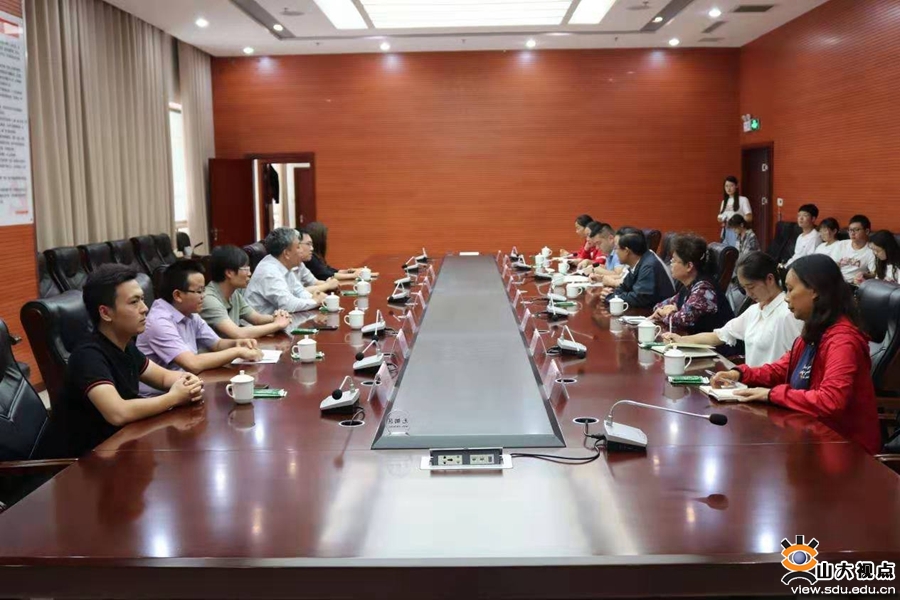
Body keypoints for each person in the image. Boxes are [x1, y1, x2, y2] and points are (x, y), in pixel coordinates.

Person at [711, 254, 880, 455]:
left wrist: (771, 395)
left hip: (845, 449)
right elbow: (783, 368)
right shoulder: (815, 331)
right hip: (812, 437)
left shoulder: (843, 340)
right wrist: (739, 374)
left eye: (791, 289)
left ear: (814, 291)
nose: (786, 297)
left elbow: (831, 400)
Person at [46, 265, 205, 457]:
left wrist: (186, 379)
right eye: (134, 302)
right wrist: (174, 398)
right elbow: (117, 413)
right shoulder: (88, 355)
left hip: (117, 448)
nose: (145, 309)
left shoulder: (125, 345)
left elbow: (163, 377)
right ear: (106, 313)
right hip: (80, 464)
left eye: (143, 299)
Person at [136, 261, 262, 395]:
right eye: (199, 291)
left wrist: (237, 343)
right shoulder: (159, 321)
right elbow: (192, 364)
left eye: (204, 290)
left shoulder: (190, 313)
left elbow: (217, 344)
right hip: (160, 397)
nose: (203, 296)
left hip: (188, 387)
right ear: (178, 295)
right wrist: (237, 352)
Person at [662, 252, 803, 367]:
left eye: (751, 287)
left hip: (771, 389)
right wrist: (681, 340)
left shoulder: (788, 313)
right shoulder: (755, 310)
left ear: (770, 279)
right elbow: (719, 336)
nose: (748, 294)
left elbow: (796, 362)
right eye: (744, 288)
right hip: (752, 384)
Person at [200, 245, 293, 338]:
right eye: (245, 269)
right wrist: (277, 325)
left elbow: (257, 319)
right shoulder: (208, 299)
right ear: (229, 273)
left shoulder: (233, 294)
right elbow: (238, 333)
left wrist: (279, 317)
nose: (249, 273)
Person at [649, 234, 733, 335]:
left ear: (689, 266)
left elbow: (682, 320)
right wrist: (666, 310)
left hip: (715, 344)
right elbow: (660, 305)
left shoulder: (704, 288)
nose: (670, 263)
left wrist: (666, 313)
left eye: (674, 260)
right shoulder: (689, 286)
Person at [245, 227, 328, 314]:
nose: (301, 250)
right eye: (298, 247)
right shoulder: (269, 271)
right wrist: (315, 301)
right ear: (287, 253)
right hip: (262, 321)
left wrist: (314, 298)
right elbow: (288, 305)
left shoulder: (285, 266)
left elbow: (299, 291)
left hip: (281, 319)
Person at [600, 229, 675, 308]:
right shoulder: (639, 261)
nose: (615, 252)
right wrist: (611, 293)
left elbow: (638, 298)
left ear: (626, 251)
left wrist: (612, 297)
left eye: (616, 248)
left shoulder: (649, 266)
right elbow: (625, 286)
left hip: (657, 311)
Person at [725, 214, 759, 310]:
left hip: (750, 264)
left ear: (741, 225)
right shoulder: (739, 237)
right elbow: (737, 252)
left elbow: (747, 255)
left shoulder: (751, 236)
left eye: (735, 228)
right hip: (741, 264)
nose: (734, 230)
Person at [832, 214, 875, 284]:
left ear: (867, 231)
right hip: (836, 281)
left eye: (856, 230)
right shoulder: (841, 245)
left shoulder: (872, 250)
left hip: (854, 285)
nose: (852, 233)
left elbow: (874, 274)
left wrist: (864, 275)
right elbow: (834, 266)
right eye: (850, 230)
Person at [717, 176, 752, 247]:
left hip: (737, 230)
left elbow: (749, 217)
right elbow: (719, 217)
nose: (728, 188)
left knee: (736, 250)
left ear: (736, 186)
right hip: (726, 231)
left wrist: (735, 220)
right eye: (726, 186)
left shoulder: (743, 200)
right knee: (726, 251)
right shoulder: (724, 202)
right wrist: (721, 219)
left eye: (731, 185)